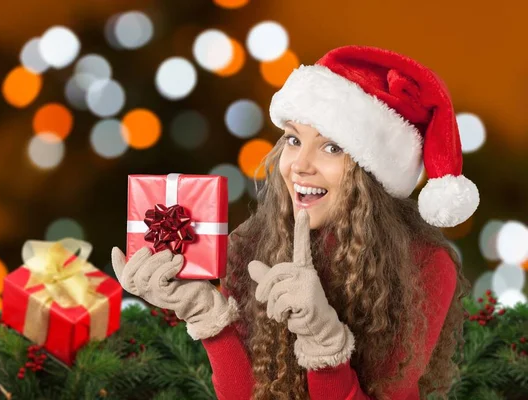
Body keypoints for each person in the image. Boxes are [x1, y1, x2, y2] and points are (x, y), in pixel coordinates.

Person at [111, 45, 480, 400]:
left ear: (372, 173)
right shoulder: (251, 246)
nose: (300, 165)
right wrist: (208, 318)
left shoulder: (425, 265)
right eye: (292, 139)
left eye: (331, 147)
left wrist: (324, 343)